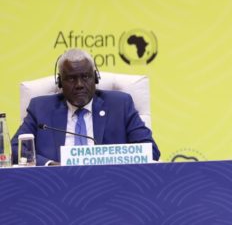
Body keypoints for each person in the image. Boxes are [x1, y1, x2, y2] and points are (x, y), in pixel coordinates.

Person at [11, 48, 160, 165]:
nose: (79, 85)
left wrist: (111, 161)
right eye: (71, 78)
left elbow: (150, 150)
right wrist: (50, 165)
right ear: (60, 83)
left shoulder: (120, 105)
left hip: (111, 185)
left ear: (96, 78)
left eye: (86, 77)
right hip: (56, 186)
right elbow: (15, 149)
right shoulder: (40, 108)